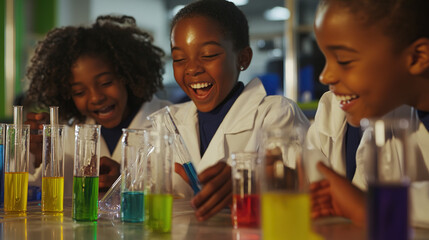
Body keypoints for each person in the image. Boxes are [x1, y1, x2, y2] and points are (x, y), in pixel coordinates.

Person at [168, 0, 309, 221]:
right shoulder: (166, 123)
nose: (192, 69)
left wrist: (249, 182)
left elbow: (303, 190)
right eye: (179, 59)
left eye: (208, 55)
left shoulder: (275, 115)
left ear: (243, 58)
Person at [308, 0, 429, 227]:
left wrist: (370, 207)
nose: (325, 76)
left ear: (417, 57)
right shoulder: (372, 104)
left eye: (344, 60)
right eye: (326, 58)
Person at [25, 15, 170, 196]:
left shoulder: (169, 122)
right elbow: (43, 195)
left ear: (127, 75)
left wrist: (127, 180)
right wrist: (40, 156)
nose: (95, 98)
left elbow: (180, 190)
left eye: (106, 83)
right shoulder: (69, 137)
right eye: (79, 92)